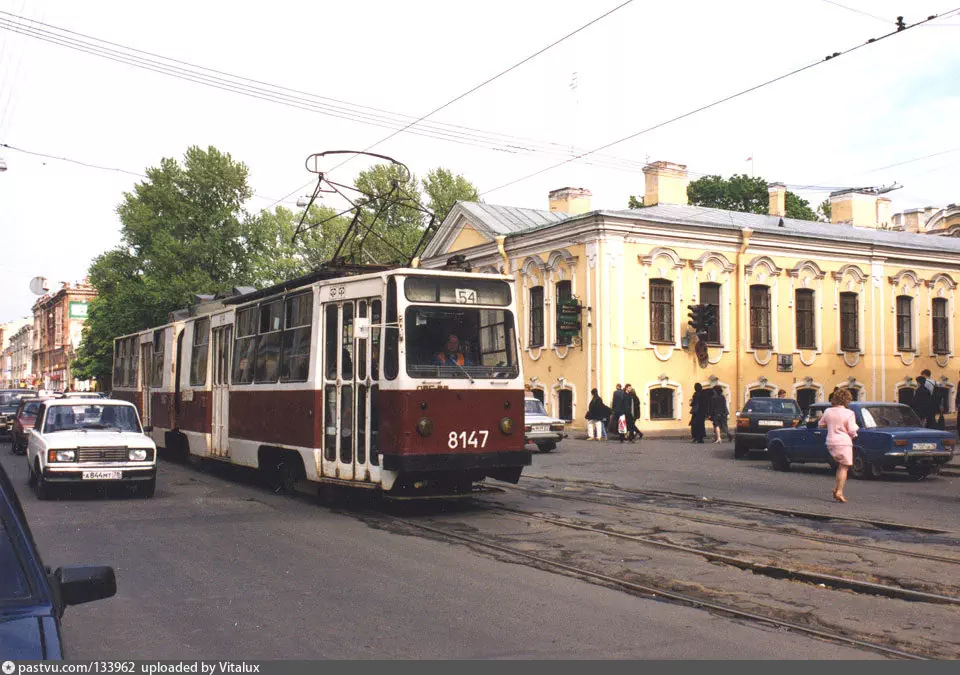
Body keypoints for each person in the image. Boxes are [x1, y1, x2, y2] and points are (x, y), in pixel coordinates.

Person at [819, 388, 858, 503]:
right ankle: (839, 492)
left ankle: (836, 488)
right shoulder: (849, 413)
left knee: (840, 466)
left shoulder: (828, 411)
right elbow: (851, 430)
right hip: (844, 442)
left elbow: (821, 424)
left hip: (831, 441)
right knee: (844, 467)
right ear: (847, 400)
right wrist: (855, 433)